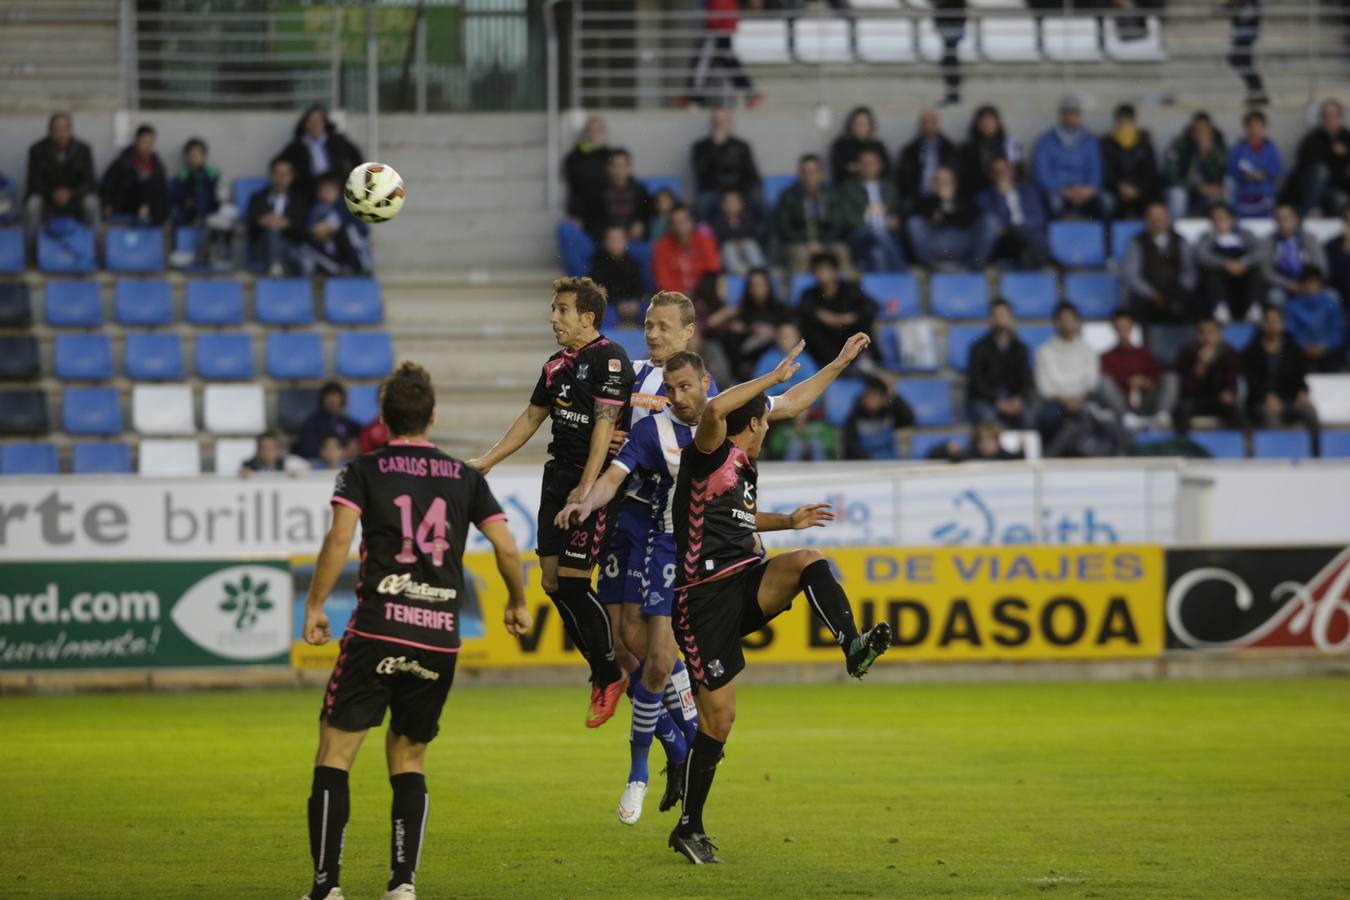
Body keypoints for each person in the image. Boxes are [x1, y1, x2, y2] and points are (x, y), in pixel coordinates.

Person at [555, 334, 864, 826]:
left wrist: (839, 363)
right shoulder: (671, 429)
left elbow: (791, 403)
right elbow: (613, 479)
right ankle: (668, 754)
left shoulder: (734, 417)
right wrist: (585, 501)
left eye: (685, 387)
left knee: (662, 661)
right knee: (636, 645)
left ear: (705, 381)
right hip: (669, 550)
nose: (678, 397)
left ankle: (664, 761)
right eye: (671, 389)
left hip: (716, 561)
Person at [298, 362, 531, 900]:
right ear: (432, 416)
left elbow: (339, 540)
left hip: (377, 630)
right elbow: (506, 545)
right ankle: (402, 884)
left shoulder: (363, 470)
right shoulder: (464, 477)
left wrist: (315, 605)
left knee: (335, 754)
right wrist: (518, 601)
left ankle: (327, 887)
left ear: (383, 417)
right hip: (437, 637)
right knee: (409, 758)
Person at [663, 336, 893, 864]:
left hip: (743, 581)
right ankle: (689, 827)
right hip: (701, 601)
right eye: (765, 422)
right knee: (718, 722)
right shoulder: (709, 448)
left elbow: (794, 402)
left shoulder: (741, 462)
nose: (770, 427)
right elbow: (716, 409)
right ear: (751, 425)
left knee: (807, 558)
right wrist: (772, 375)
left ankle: (853, 646)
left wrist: (838, 363)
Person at [468, 277, 635, 728]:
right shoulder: (554, 366)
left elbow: (605, 425)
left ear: (587, 317)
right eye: (553, 309)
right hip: (556, 476)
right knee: (552, 582)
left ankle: (609, 673)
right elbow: (530, 418)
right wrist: (488, 460)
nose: (552, 318)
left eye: (562, 310)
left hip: (595, 480)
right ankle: (603, 669)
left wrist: (587, 488)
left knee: (576, 581)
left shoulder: (611, 360)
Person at [1241, 306, 1320, 443]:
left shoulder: (1293, 349)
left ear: (1282, 324)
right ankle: (1275, 454)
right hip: (1260, 402)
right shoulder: (1251, 352)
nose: (1272, 325)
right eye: (1268, 321)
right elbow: (1251, 381)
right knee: (1271, 417)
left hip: (1288, 400)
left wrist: (1302, 392)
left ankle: (1316, 454)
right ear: (1263, 324)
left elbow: (1300, 377)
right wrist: (1266, 397)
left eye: (1276, 321)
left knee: (1310, 412)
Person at [1035, 302, 1107, 452]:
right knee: (1049, 417)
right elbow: (1044, 388)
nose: (1066, 323)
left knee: (1101, 415)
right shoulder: (1044, 351)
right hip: (1057, 404)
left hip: (1084, 401)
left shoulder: (1088, 350)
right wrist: (1067, 402)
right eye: (1062, 319)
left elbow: (1092, 381)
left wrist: (1079, 400)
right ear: (1056, 323)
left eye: (1070, 319)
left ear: (1076, 321)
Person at [24, 112, 99, 246]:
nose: (61, 134)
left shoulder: (83, 150)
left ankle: (95, 249)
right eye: (57, 130)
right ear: (50, 131)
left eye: (65, 129)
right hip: (48, 200)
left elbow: (90, 182)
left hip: (75, 200)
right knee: (32, 204)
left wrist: (70, 194)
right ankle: (31, 250)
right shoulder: (37, 150)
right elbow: (33, 183)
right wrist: (53, 193)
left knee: (92, 203)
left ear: (70, 130)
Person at [797, 250, 880, 370]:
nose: (822, 273)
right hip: (824, 342)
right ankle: (824, 366)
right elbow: (802, 311)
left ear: (836, 270)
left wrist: (850, 317)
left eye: (826, 269)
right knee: (809, 327)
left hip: (848, 333)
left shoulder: (851, 288)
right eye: (818, 269)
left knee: (863, 323)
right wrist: (822, 315)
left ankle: (865, 361)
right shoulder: (809, 293)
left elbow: (872, 307)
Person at [1032, 95, 1112, 220]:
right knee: (1053, 203)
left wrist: (1088, 190)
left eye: (1075, 113)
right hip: (1058, 191)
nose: (1071, 117)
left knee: (1107, 202)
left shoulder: (1090, 141)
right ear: (1061, 115)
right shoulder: (1045, 141)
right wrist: (1065, 191)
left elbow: (1096, 170)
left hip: (1085, 191)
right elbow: (1042, 175)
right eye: (1068, 113)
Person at [904, 165, 994, 270]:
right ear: (933, 184)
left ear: (954, 183)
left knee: (990, 221)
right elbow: (914, 217)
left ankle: (975, 265)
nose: (943, 184)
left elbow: (971, 219)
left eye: (946, 181)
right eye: (939, 181)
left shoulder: (965, 200)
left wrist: (946, 211)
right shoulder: (925, 201)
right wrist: (938, 202)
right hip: (935, 243)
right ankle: (928, 267)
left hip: (963, 241)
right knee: (914, 222)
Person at [773, 154, 850, 275]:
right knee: (800, 253)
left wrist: (823, 243)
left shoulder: (833, 194)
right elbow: (784, 226)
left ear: (820, 174)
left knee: (841, 250)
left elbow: (838, 223)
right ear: (800, 175)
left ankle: (845, 285)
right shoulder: (788, 196)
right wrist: (807, 243)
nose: (809, 177)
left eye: (813, 172)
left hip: (827, 241)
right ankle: (802, 285)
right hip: (799, 242)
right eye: (805, 172)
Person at [1123, 202, 1199, 324]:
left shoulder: (1181, 241)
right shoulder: (1136, 242)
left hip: (1177, 293)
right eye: (1153, 218)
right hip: (1148, 296)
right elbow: (1131, 275)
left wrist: (1179, 292)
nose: (1157, 221)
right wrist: (1151, 294)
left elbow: (1189, 271)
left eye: (1161, 217)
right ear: (1146, 220)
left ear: (1168, 219)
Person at [1099, 309, 1177, 430]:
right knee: (1103, 381)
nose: (1123, 331)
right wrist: (1128, 382)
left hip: (1147, 399)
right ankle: (1126, 418)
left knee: (1170, 377)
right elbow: (1108, 386)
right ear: (1114, 329)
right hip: (1123, 402)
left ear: (1131, 328)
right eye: (1120, 328)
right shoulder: (1106, 357)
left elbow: (1156, 377)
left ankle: (1162, 416)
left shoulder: (1145, 354)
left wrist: (1145, 382)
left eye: (1126, 327)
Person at [167, 137, 235, 269]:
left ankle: (218, 256)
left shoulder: (213, 173)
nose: (195, 158)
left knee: (225, 215)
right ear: (187, 157)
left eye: (198, 154)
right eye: (192, 155)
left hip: (210, 210)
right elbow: (175, 196)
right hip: (188, 213)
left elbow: (220, 195)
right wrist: (186, 200)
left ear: (204, 156)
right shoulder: (182, 175)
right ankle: (188, 251)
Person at [966, 298, 1034, 428]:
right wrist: (997, 402)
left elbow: (1026, 380)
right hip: (987, 401)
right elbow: (977, 384)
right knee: (990, 420)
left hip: (1013, 400)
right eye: (996, 315)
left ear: (1010, 318)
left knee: (1029, 417)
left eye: (1003, 315)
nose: (1000, 319)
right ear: (990, 319)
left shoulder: (1021, 349)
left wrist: (1019, 400)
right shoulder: (978, 348)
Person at [839, 147, 905, 273]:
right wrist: (867, 218)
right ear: (858, 166)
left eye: (872, 163)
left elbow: (898, 211)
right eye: (865, 163)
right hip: (860, 234)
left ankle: (884, 284)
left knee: (877, 254)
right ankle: (901, 271)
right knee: (878, 232)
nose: (869, 167)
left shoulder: (890, 187)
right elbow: (846, 217)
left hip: (887, 234)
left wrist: (895, 220)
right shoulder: (848, 188)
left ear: (880, 165)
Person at [1174, 317, 1245, 433]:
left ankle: (1235, 442)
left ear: (1220, 334)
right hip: (1194, 400)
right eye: (1202, 332)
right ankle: (1183, 441)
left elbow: (1232, 384)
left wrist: (1229, 393)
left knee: (1236, 411)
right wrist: (1201, 365)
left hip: (1219, 400)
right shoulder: (1187, 353)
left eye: (1211, 332)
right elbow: (1186, 387)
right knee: (1181, 410)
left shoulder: (1229, 353)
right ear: (1196, 335)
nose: (1207, 336)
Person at [1195, 202, 1264, 323]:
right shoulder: (1206, 237)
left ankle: (1253, 308)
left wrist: (1245, 262)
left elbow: (1261, 251)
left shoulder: (1245, 234)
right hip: (1221, 275)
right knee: (1211, 272)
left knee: (1256, 271)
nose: (1219, 222)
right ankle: (1220, 309)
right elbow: (1202, 255)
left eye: (1222, 218)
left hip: (1243, 273)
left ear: (1232, 219)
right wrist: (1225, 263)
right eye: (1215, 219)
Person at [682, 0, 758, 109]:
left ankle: (692, 97)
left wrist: (713, 23)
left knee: (703, 60)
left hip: (717, 27)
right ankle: (749, 92)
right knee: (728, 62)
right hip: (722, 25)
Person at [977, 156, 1049, 270]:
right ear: (991, 176)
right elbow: (996, 227)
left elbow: (1038, 219)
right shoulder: (985, 197)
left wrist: (1018, 228)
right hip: (1007, 242)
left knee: (1030, 243)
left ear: (1012, 172)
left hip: (1030, 236)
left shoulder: (1029, 192)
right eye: (997, 172)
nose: (1002, 174)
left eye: (1005, 170)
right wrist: (1001, 196)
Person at [280, 104, 363, 202]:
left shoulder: (338, 141)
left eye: (318, 121)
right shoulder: (296, 146)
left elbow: (356, 157)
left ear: (324, 123)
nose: (315, 125)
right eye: (311, 121)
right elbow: (281, 163)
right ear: (305, 123)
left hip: (336, 190)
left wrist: (353, 180)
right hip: (308, 192)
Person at [691, 108, 761, 223]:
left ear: (730, 124)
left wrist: (736, 193)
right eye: (716, 122)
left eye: (723, 121)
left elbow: (753, 175)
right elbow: (700, 173)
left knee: (762, 204)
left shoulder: (742, 146)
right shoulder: (700, 147)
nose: (719, 125)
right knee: (701, 205)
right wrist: (715, 147)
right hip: (714, 192)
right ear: (711, 124)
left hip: (741, 192)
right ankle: (704, 233)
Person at [724, 267, 791, 377]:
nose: (756, 289)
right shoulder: (741, 312)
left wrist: (773, 332)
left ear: (768, 286)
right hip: (750, 362)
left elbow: (791, 333)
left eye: (759, 284)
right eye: (752, 285)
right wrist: (748, 330)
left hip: (777, 358)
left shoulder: (781, 310)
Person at [301, 174, 372, 276]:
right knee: (307, 245)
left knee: (349, 230)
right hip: (330, 250)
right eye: (321, 191)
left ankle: (361, 267)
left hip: (352, 247)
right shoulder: (317, 208)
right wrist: (318, 231)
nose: (324, 195)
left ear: (337, 192)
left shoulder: (345, 205)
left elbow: (333, 225)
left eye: (327, 191)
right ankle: (338, 269)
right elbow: (310, 228)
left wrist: (325, 228)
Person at [247, 156, 307, 276]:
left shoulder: (299, 200)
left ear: (291, 177)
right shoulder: (257, 198)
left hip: (290, 246)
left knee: (302, 257)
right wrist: (263, 221)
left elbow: (301, 225)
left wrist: (286, 223)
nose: (280, 178)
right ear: (271, 175)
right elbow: (250, 222)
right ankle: (276, 267)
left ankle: (277, 267)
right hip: (263, 246)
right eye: (277, 174)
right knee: (272, 231)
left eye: (284, 174)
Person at [1163, 112, 1229, 220]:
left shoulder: (1219, 147)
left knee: (1221, 192)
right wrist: (1198, 188)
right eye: (1198, 130)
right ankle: (1177, 226)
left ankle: (1219, 225)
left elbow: (1221, 176)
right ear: (1192, 131)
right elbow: (1171, 177)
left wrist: (1208, 156)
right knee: (1177, 194)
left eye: (1205, 130)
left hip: (1209, 191)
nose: (1201, 134)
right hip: (1186, 190)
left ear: (1211, 131)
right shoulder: (1179, 145)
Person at [99, 124, 169, 226]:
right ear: (136, 141)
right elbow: (108, 184)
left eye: (151, 143)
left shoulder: (157, 165)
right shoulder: (122, 162)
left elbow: (162, 192)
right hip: (125, 203)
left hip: (149, 208)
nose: (148, 147)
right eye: (145, 142)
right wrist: (107, 204)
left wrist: (148, 205)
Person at [1291, 99, 1350, 217]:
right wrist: (1330, 151)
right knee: (1320, 170)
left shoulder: (1346, 137)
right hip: (1312, 189)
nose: (1328, 119)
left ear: (1340, 117)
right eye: (1325, 115)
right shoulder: (1313, 137)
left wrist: (1346, 153)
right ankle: (1310, 213)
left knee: (1340, 199)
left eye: (1332, 115)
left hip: (1337, 188)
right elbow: (1304, 163)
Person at [1101, 103, 1159, 220]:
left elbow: (1150, 172)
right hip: (1116, 191)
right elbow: (1106, 172)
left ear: (1133, 122)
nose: (1123, 126)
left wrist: (1137, 189)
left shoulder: (1144, 143)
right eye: (1120, 122)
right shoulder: (1106, 144)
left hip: (1140, 191)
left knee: (1153, 202)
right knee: (1109, 202)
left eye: (1126, 122)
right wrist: (1119, 187)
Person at [1261, 204, 1327, 305]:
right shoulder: (1269, 241)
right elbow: (1267, 272)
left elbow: (1321, 265)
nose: (1283, 222)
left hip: (1309, 282)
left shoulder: (1309, 238)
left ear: (1296, 219)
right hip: (1282, 285)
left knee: (1331, 296)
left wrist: (1309, 283)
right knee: (1275, 297)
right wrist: (1287, 284)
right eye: (1279, 218)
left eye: (1287, 217)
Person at [1282, 267, 1346, 372]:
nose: (1310, 287)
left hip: (1327, 353)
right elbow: (1290, 333)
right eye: (1306, 283)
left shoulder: (1331, 304)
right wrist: (1303, 346)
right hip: (1301, 353)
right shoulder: (1292, 306)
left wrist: (1325, 346)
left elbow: (1337, 333)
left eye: (1313, 283)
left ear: (1320, 284)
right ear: (1301, 285)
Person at [582, 149, 652, 241]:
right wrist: (608, 233)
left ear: (629, 168)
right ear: (608, 168)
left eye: (623, 166)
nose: (619, 171)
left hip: (634, 239)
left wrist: (641, 225)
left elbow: (648, 216)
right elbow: (591, 221)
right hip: (607, 241)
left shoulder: (640, 190)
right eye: (615, 166)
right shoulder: (597, 192)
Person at [896, 108, 958, 212]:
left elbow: (956, 173)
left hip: (944, 196)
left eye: (932, 122)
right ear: (920, 125)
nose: (929, 126)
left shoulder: (950, 149)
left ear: (938, 124)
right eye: (925, 122)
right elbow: (905, 178)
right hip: (919, 198)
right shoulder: (910, 151)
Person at [653, 204, 721, 296]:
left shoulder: (705, 241)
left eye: (684, 221)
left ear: (692, 221)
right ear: (671, 226)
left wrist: (700, 296)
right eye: (677, 222)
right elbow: (663, 280)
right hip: (675, 298)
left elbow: (712, 270)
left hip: (703, 295)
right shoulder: (661, 247)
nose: (682, 226)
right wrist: (681, 298)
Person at [842, 375, 915, 460]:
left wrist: (895, 395)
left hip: (889, 462)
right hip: (864, 463)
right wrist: (868, 460)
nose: (874, 400)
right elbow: (850, 445)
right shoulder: (855, 417)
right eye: (871, 395)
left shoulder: (889, 414)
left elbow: (909, 419)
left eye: (878, 396)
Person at [1228, 110, 1282, 219]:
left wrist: (1264, 175)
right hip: (1243, 196)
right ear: (1246, 128)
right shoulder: (1238, 148)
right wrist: (1245, 176)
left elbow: (1278, 170)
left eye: (1258, 125)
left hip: (1266, 195)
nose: (1254, 129)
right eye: (1251, 126)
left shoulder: (1271, 148)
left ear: (1264, 128)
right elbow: (1231, 170)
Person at [959, 104, 1020, 199]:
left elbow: (1018, 170)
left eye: (991, 120)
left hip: (1008, 191)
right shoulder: (967, 149)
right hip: (979, 194)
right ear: (977, 124)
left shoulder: (1009, 144)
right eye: (983, 121)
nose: (987, 124)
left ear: (998, 123)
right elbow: (966, 178)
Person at [588, 225, 646, 323]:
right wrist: (618, 305)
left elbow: (639, 288)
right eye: (613, 240)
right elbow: (598, 291)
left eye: (620, 239)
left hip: (632, 305)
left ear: (626, 242)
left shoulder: (633, 263)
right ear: (605, 242)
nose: (616, 243)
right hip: (610, 306)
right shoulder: (598, 265)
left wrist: (635, 302)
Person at [296, 382, 363, 460]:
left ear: (342, 399)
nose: (333, 400)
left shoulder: (348, 423)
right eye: (329, 396)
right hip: (319, 464)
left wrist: (354, 443)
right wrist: (333, 453)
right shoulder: (311, 423)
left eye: (336, 396)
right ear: (322, 399)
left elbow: (362, 434)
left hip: (344, 463)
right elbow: (307, 449)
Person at [565, 115, 611, 223]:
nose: (594, 134)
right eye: (591, 130)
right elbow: (574, 187)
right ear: (586, 133)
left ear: (604, 132)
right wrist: (575, 212)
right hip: (583, 213)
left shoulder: (610, 155)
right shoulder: (576, 157)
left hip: (606, 212)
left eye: (598, 130)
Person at [830, 106, 890, 186]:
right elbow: (839, 169)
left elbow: (886, 168)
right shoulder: (841, 145)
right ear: (851, 125)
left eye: (864, 123)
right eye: (857, 123)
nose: (861, 127)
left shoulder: (878, 146)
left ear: (870, 125)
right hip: (848, 188)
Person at [711, 189, 766, 275]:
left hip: (745, 248)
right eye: (729, 202)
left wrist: (740, 242)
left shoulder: (748, 219)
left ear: (741, 204)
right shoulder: (719, 222)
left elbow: (753, 235)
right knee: (728, 247)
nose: (732, 205)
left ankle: (758, 270)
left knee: (750, 244)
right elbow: (718, 239)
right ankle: (738, 272)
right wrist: (735, 242)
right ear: (723, 205)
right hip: (728, 252)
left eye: (735, 201)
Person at [1222, 0, 1266, 106]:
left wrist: (1234, 7)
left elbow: (1246, 16)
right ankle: (1256, 91)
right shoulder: (1242, 3)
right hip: (1242, 35)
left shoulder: (1251, 4)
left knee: (1239, 61)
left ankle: (1257, 92)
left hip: (1246, 36)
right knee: (1241, 62)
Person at [754, 323, 819, 391]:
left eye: (790, 336)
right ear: (776, 338)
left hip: (798, 395)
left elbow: (812, 383)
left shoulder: (805, 359)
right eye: (783, 336)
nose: (786, 339)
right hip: (773, 396)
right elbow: (758, 383)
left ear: (798, 337)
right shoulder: (767, 357)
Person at [927, 421, 1024, 462]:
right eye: (982, 441)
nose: (986, 445)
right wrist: (947, 450)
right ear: (977, 443)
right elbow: (932, 455)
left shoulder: (1004, 455)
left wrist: (1022, 450)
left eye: (990, 441)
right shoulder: (970, 454)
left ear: (997, 442)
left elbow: (1017, 461)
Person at [766, 409, 841, 461]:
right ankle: (790, 474)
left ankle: (821, 474)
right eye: (798, 408)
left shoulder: (820, 426)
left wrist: (808, 441)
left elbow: (829, 446)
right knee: (795, 446)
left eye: (805, 408)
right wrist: (795, 442)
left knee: (815, 444)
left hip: (820, 462)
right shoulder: (783, 429)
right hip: (787, 462)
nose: (801, 412)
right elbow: (775, 448)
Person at [935, 0, 967, 107]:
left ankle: (953, 94)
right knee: (949, 58)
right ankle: (953, 93)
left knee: (950, 59)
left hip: (952, 22)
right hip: (949, 22)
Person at [238, 431, 306, 477]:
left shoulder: (290, 463)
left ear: (277, 449)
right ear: (257, 450)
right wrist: (243, 476)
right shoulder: (248, 465)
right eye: (263, 448)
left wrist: (298, 475)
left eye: (270, 448)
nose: (266, 452)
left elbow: (308, 472)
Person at [1323, 205, 1350, 307]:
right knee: (1330, 295)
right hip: (1340, 291)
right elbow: (1331, 276)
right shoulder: (1331, 245)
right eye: (1348, 221)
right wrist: (1346, 248)